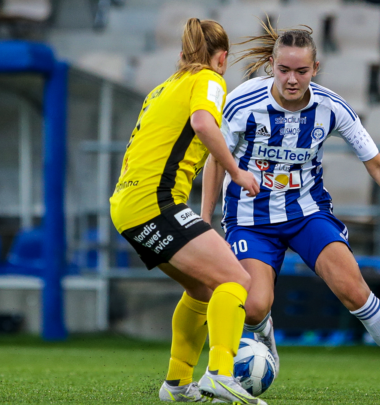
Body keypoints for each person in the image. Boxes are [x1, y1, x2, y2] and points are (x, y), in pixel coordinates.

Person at [201, 20, 380, 401]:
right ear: (271, 65)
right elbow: (216, 160)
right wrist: (205, 221)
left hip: (307, 212)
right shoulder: (242, 103)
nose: (292, 79)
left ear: (315, 69)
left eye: (301, 71)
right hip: (251, 218)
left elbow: (376, 163)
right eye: (284, 70)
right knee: (253, 306)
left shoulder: (332, 107)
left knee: (354, 291)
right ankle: (264, 335)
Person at [110, 18, 267, 404]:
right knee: (237, 277)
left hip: (128, 204)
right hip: (154, 202)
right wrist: (236, 171)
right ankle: (221, 374)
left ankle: (177, 385)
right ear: (222, 58)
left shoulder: (162, 88)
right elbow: (202, 123)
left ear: (182, 55)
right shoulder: (209, 80)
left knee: (200, 288)